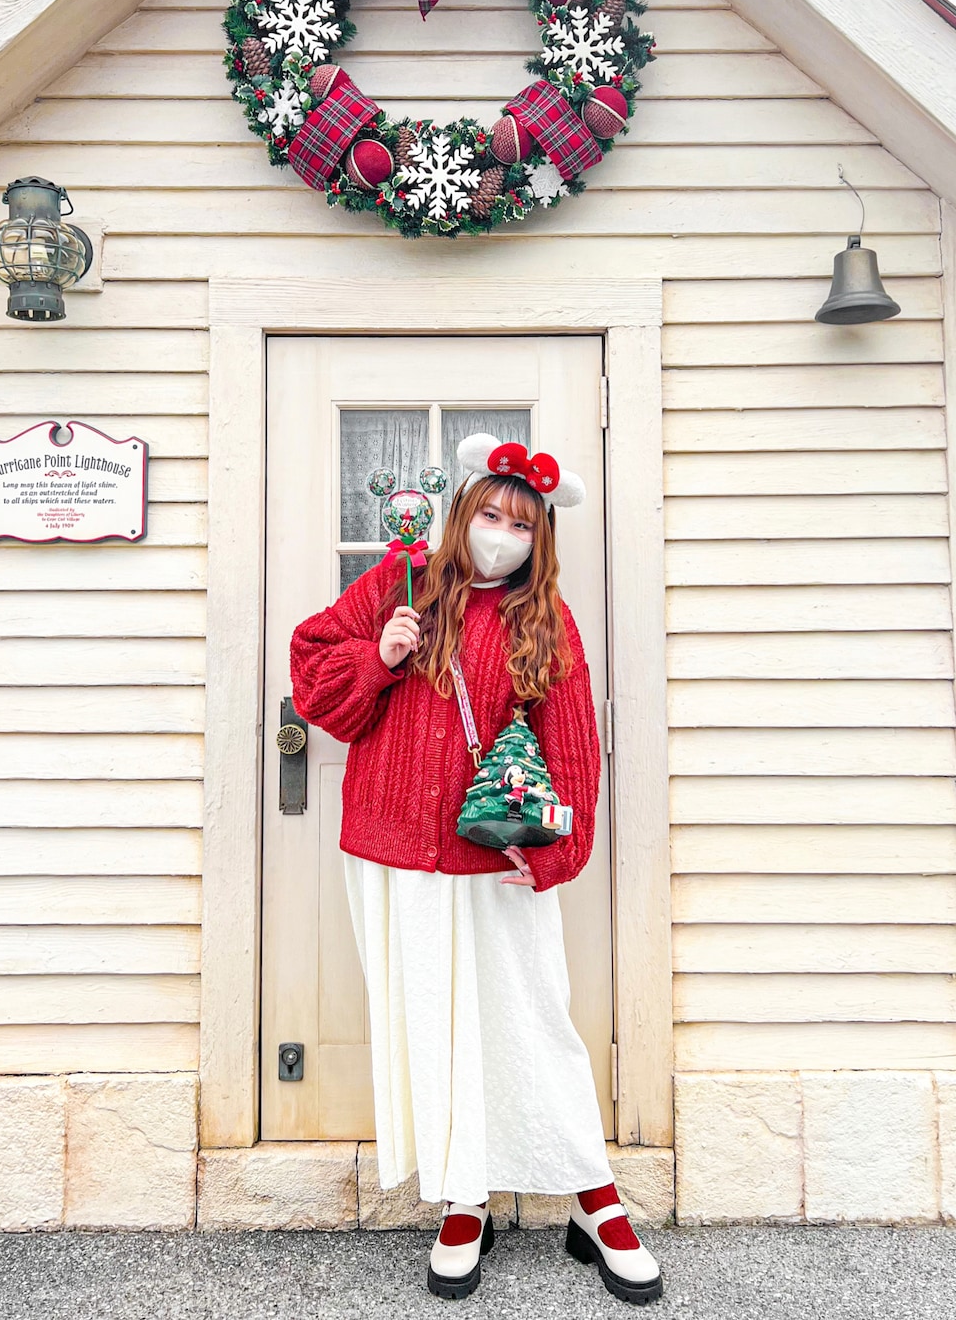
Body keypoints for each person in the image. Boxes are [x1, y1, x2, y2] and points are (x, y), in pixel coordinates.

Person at [290, 434, 664, 1305]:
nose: (501, 534)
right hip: (394, 848)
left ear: (541, 539)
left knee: (531, 1021)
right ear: (464, 513)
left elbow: (572, 744)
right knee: (436, 1026)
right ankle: (466, 1198)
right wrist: (380, 656)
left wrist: (560, 852)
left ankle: (593, 1197)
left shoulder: (545, 618)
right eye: (490, 515)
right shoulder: (402, 582)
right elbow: (317, 685)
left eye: (521, 525)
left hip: (495, 856)